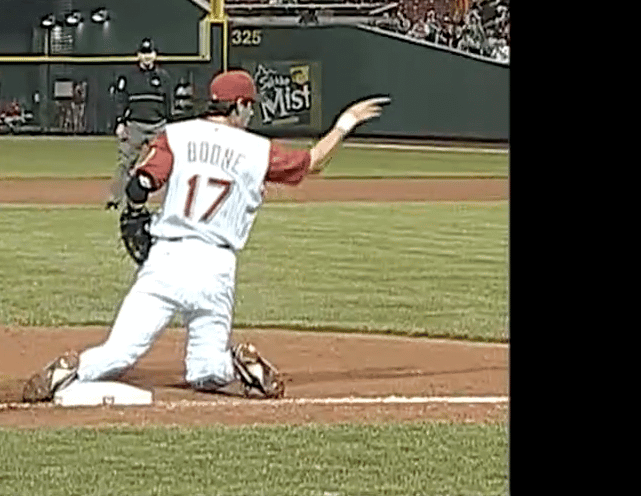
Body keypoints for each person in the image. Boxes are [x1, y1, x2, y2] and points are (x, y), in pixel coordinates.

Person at [21, 70, 391, 403]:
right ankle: (235, 366)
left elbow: (142, 183)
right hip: (216, 266)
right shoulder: (257, 150)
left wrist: (135, 211)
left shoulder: (177, 135)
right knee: (206, 371)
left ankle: (70, 370)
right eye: (250, 107)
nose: (251, 114)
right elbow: (314, 162)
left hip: (166, 260)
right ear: (240, 105)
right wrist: (345, 123)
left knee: (120, 351)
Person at [105, 39, 173, 209]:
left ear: (155, 55)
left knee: (168, 163)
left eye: (150, 53)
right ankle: (115, 199)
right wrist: (120, 122)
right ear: (138, 56)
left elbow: (168, 103)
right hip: (135, 125)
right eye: (144, 54)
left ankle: (170, 202)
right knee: (125, 163)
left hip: (158, 126)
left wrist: (169, 124)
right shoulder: (128, 77)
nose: (147, 57)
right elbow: (121, 101)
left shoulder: (163, 77)